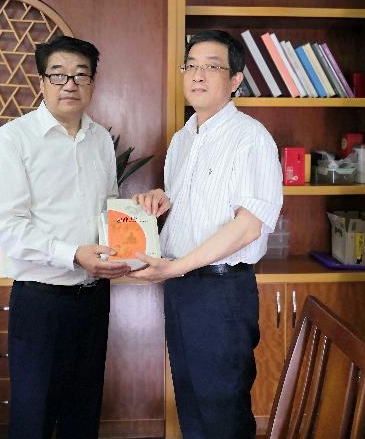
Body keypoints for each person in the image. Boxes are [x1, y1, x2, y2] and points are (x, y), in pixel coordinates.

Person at [132, 30, 283, 439]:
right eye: (191, 65)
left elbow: (248, 225)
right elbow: (195, 206)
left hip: (221, 293)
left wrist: (174, 267)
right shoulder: (183, 139)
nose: (198, 75)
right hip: (182, 288)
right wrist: (162, 200)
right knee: (191, 407)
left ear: (235, 80)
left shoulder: (251, 138)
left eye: (212, 66)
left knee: (222, 413)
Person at [0, 35, 130, 439]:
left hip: (93, 297)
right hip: (41, 301)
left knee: (82, 413)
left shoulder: (101, 140)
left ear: (92, 84)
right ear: (42, 82)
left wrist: (135, 225)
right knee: (33, 417)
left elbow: (108, 209)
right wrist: (74, 254)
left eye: (81, 75)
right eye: (59, 75)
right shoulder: (13, 140)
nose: (70, 84)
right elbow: (10, 228)